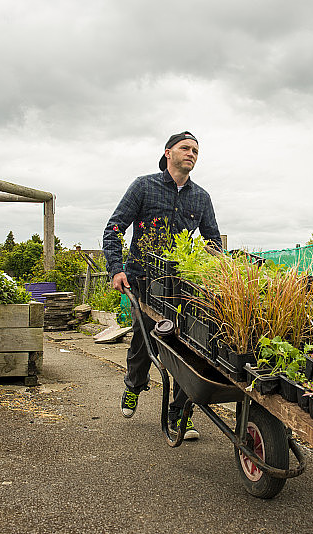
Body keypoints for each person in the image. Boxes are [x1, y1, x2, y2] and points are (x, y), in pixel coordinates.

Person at [102, 131, 222, 440]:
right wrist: (116, 270)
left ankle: (179, 413)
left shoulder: (201, 197)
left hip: (180, 284)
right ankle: (134, 385)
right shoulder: (144, 186)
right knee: (144, 341)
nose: (191, 153)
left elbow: (213, 241)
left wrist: (217, 273)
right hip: (143, 280)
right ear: (168, 152)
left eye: (196, 150)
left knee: (186, 349)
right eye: (185, 148)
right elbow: (113, 229)